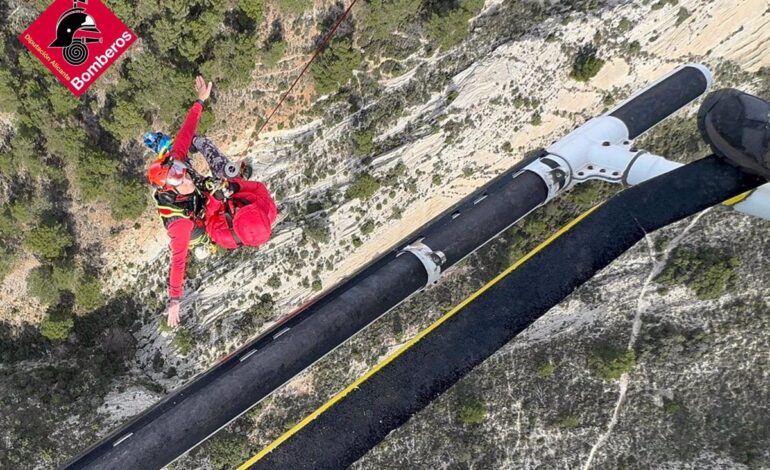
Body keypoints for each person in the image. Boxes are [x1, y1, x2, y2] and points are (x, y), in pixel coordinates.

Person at [146, 76, 278, 327]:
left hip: (212, 206)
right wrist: (174, 299)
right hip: (200, 223)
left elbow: (185, 133)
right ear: (174, 190)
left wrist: (200, 101)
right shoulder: (180, 226)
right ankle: (167, 149)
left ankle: (169, 147)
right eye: (184, 179)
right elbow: (178, 262)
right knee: (217, 178)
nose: (187, 176)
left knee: (198, 164)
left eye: (183, 173)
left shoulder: (178, 166)